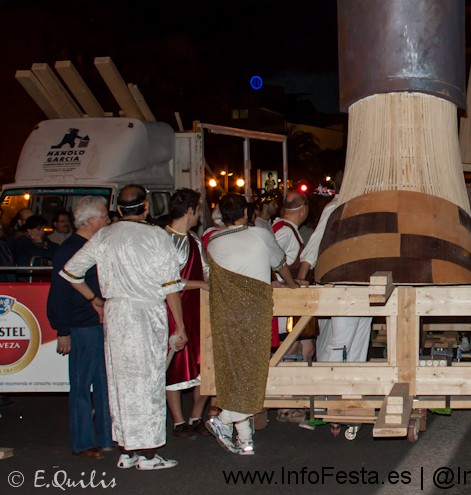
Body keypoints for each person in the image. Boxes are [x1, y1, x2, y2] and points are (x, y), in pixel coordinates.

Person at [60, 185, 187, 470]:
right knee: (148, 382)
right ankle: (148, 454)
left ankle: (127, 449)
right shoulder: (157, 236)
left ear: (119, 209)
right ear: (146, 208)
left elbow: (71, 272)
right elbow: (171, 287)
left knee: (120, 382)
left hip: (117, 314)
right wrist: (179, 326)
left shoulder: (104, 235)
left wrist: (97, 300)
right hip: (145, 313)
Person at [204, 194, 301, 456]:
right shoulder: (259, 234)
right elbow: (280, 264)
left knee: (235, 372)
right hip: (253, 312)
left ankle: (245, 438)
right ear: (247, 213)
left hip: (225, 314)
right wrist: (292, 286)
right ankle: (223, 421)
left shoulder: (212, 242)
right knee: (254, 372)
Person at [45, 196, 114, 460]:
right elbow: (59, 293)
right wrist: (62, 330)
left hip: (96, 324)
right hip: (81, 325)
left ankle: (107, 436)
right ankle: (83, 442)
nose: (108, 220)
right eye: (105, 216)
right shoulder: (71, 249)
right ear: (92, 220)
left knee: (105, 383)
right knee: (83, 386)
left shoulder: (93, 245)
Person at [298, 195, 374, 366]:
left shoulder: (371, 203)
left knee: (359, 339)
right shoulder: (335, 207)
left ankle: (352, 387)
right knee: (339, 341)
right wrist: (302, 276)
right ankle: (329, 386)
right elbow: (316, 242)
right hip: (341, 280)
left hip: (365, 280)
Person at [163, 189, 211, 439]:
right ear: (190, 210)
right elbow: (166, 282)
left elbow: (205, 272)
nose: (199, 215)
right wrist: (199, 285)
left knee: (203, 365)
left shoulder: (194, 239)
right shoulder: (162, 240)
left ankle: (195, 416)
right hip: (173, 311)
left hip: (197, 311)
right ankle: (178, 421)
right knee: (176, 367)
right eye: (198, 209)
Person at [272, 191, 315, 362]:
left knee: (307, 347)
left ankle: (301, 387)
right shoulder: (285, 232)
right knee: (291, 347)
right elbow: (270, 256)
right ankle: (288, 387)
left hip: (292, 299)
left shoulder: (285, 228)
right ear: (303, 210)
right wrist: (281, 282)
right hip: (287, 299)